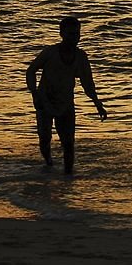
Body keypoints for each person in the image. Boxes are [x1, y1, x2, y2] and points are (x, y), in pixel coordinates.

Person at [25, 17, 107, 175]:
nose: (74, 38)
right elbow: (31, 70)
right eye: (70, 34)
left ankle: (68, 178)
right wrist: (34, 94)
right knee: (45, 139)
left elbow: (87, 83)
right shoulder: (50, 52)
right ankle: (48, 165)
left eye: (77, 34)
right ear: (61, 34)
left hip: (66, 103)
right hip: (45, 101)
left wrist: (97, 103)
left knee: (69, 143)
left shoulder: (81, 57)